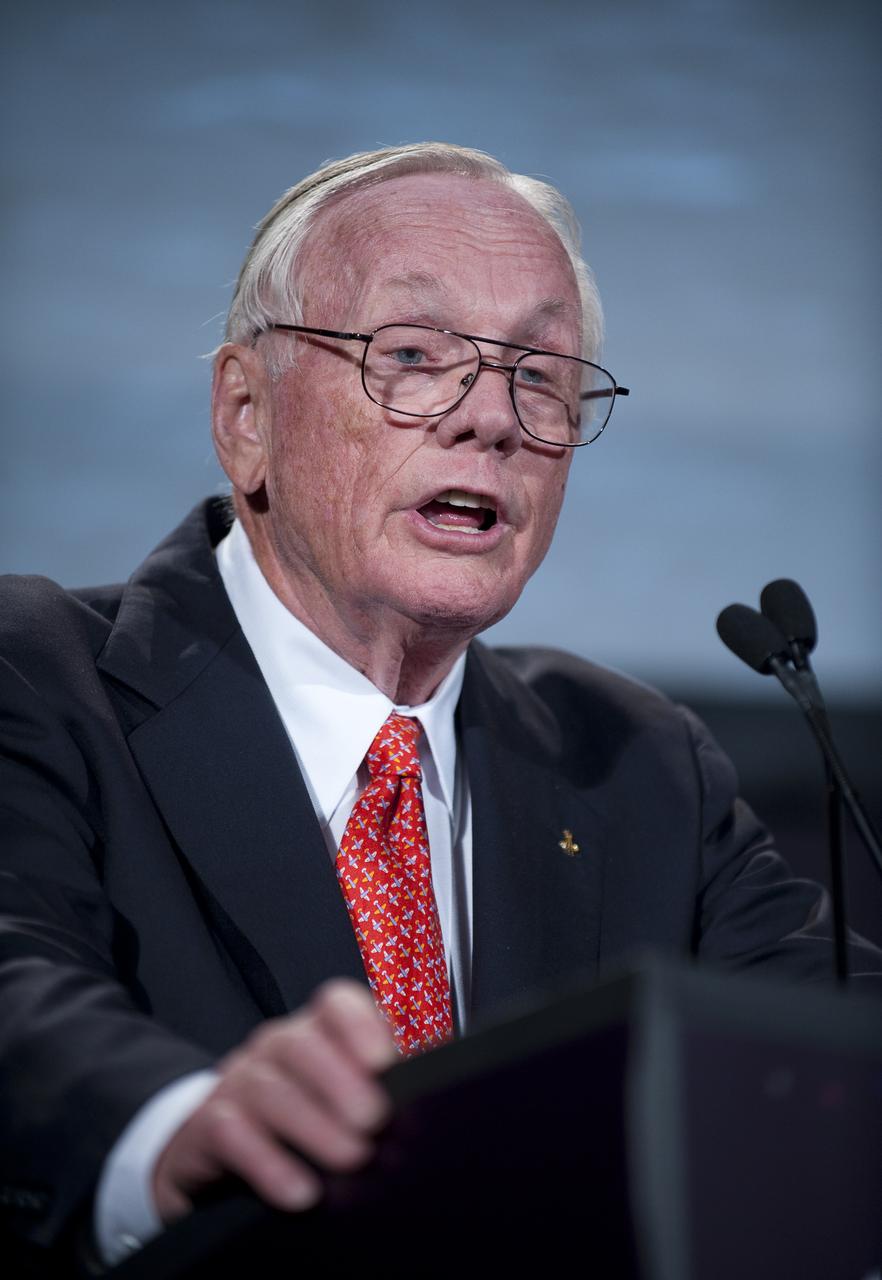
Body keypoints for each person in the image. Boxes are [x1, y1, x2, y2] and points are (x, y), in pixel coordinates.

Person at [1, 142, 878, 1274]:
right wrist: (173, 1129)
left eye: (543, 376)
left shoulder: (642, 762)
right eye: (412, 356)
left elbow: (828, 1058)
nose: (493, 421)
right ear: (244, 414)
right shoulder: (35, 673)